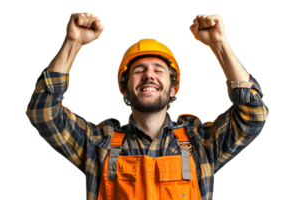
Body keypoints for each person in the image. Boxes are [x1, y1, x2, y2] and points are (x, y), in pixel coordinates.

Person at [24, 12, 270, 200]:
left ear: (173, 88)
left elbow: (255, 114)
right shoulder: (98, 143)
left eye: (158, 70)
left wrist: (220, 43)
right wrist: (73, 42)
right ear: (124, 88)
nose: (148, 76)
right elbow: (42, 113)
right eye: (139, 70)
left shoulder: (201, 142)